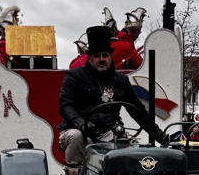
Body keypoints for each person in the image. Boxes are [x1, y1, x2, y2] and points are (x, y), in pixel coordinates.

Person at [58, 25, 165, 166]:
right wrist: (82, 125)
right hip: (77, 130)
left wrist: (161, 137)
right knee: (76, 137)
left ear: (110, 57)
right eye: (97, 56)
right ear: (89, 58)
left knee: (132, 152)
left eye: (105, 55)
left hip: (109, 132)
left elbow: (138, 111)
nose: (101, 59)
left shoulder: (121, 80)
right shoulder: (74, 77)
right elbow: (66, 106)